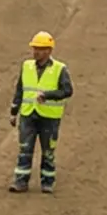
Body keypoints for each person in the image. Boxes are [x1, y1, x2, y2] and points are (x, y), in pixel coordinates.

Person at [10, 32, 74, 193]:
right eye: (35, 48)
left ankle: (47, 182)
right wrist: (13, 111)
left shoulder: (60, 69)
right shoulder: (26, 66)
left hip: (49, 117)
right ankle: (20, 182)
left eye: (40, 48)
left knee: (48, 151)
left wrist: (47, 96)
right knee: (25, 149)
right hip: (28, 114)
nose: (36, 51)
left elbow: (67, 90)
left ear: (48, 50)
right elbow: (20, 89)